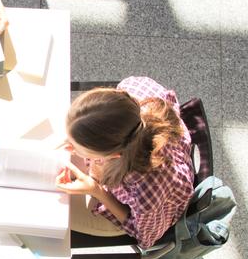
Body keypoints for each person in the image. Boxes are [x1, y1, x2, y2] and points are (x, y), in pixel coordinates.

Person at [54, 77, 195, 249]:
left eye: (75, 146)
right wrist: (77, 137)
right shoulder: (133, 88)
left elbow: (145, 237)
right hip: (136, 166)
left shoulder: (145, 190)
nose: (68, 145)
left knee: (51, 208)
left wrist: (96, 191)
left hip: (146, 214)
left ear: (112, 156)